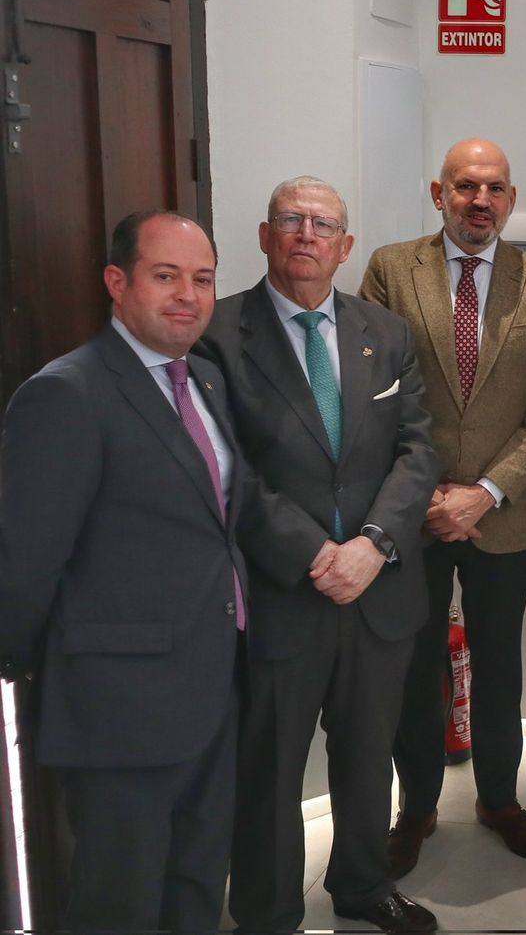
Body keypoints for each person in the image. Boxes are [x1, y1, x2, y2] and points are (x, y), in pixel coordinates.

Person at [197, 178, 439, 934]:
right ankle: (268, 912)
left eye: (322, 224)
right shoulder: (218, 333)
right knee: (271, 768)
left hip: (378, 588)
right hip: (280, 590)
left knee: (369, 755)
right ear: (266, 237)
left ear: (346, 245)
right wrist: (313, 554)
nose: (306, 234)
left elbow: (418, 451)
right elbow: (226, 467)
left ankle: (362, 887)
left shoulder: (387, 333)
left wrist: (373, 546)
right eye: (290, 222)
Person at [0, 212, 245, 934]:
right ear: (118, 282)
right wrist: (39, 686)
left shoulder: (203, 379)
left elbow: (220, 520)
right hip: (118, 711)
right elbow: (25, 564)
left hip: (211, 687)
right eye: (165, 276)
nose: (188, 296)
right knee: (121, 903)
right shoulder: (67, 394)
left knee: (198, 885)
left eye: (202, 280)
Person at [360, 139, 526, 875]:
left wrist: (483, 492)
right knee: (416, 667)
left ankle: (499, 798)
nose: (478, 200)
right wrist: (423, 494)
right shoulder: (391, 269)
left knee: (501, 665)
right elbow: (375, 393)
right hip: (411, 515)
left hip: (502, 515)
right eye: (465, 186)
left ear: (510, 200)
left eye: (493, 189)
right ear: (438, 192)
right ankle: (415, 808)